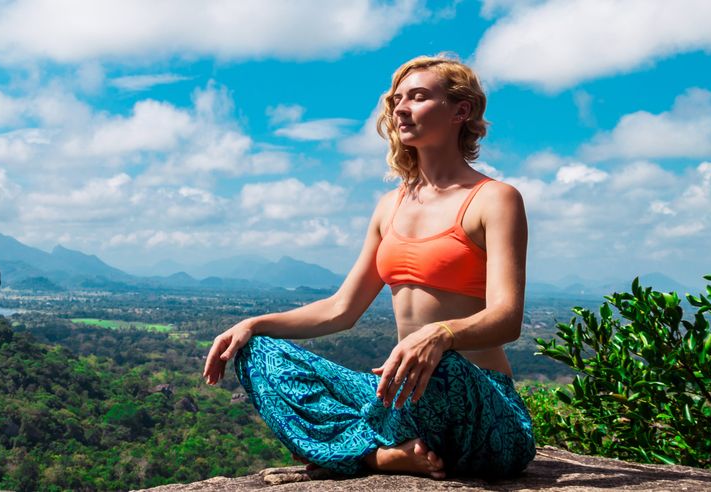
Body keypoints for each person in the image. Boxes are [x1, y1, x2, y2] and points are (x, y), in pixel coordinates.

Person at [201, 54, 534, 479]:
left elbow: (508, 319)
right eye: (396, 100)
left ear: (461, 110)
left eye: (417, 97)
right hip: (402, 397)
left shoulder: (494, 198)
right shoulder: (389, 206)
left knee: (442, 365)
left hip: (479, 402)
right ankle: (380, 457)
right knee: (258, 351)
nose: (400, 109)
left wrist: (441, 334)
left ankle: (358, 450)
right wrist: (254, 323)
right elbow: (342, 309)